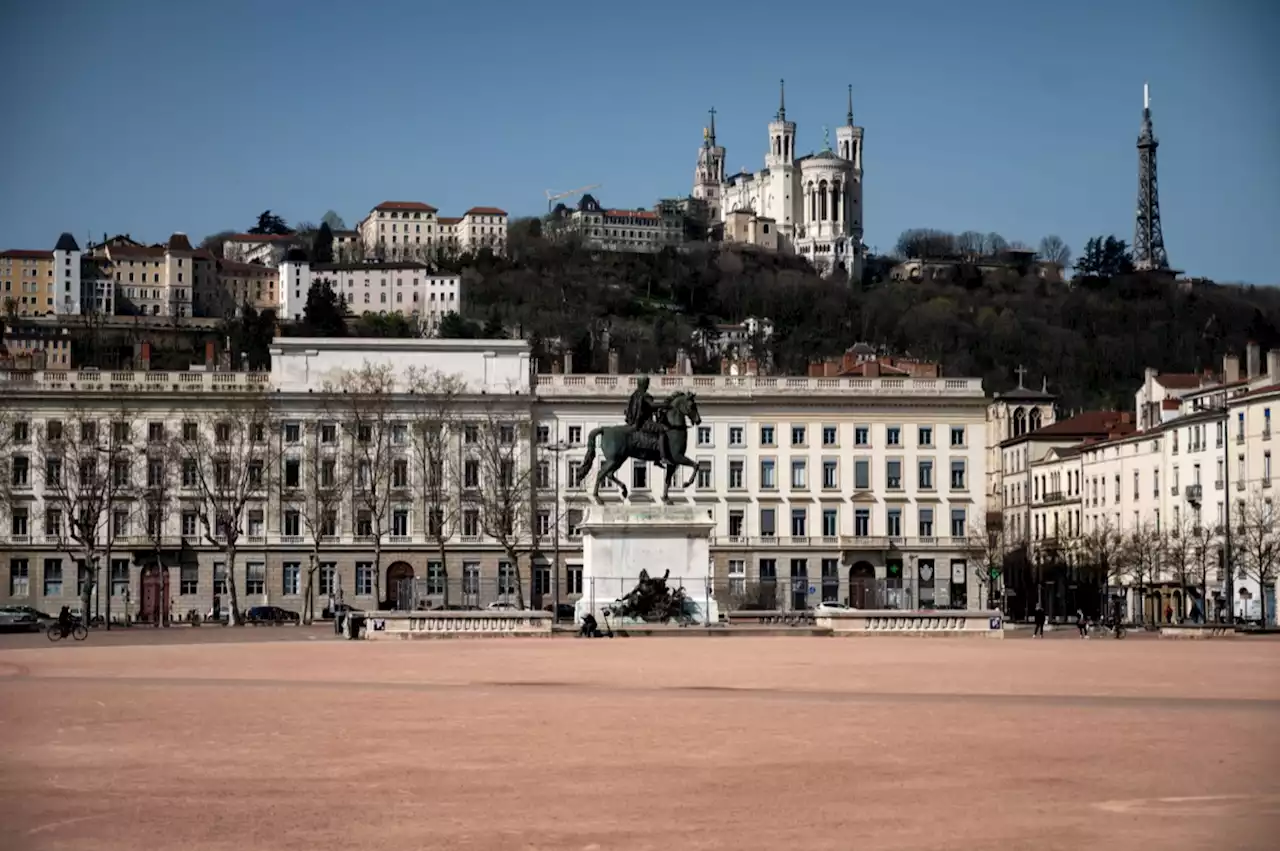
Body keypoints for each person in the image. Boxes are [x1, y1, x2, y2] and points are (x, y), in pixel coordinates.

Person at [624, 376, 674, 467]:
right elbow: (652, 405)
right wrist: (665, 405)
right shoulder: (644, 395)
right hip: (644, 422)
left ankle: (656, 458)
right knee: (663, 429)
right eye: (647, 383)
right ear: (644, 384)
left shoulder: (635, 395)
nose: (647, 385)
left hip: (636, 421)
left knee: (656, 432)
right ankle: (662, 457)